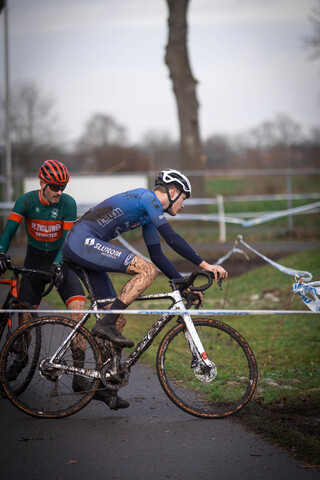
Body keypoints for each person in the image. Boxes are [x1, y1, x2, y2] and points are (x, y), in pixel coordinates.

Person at [62, 168, 228, 357]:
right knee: (148, 271)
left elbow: (157, 255)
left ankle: (97, 375)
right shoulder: (148, 198)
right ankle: (105, 325)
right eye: (184, 198)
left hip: (87, 245)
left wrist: (184, 286)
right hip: (81, 241)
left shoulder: (148, 214)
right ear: (173, 192)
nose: (183, 205)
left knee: (118, 320)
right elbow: (171, 238)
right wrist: (206, 265)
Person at [0, 160, 124, 409]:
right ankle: (22, 355)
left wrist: (57, 263)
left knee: (79, 308)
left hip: (61, 262)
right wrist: (1, 252)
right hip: (34, 263)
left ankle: (79, 373)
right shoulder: (26, 201)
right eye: (55, 187)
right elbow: (8, 232)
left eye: (63, 187)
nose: (59, 192)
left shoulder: (67, 203)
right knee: (26, 317)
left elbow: (67, 239)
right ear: (42, 183)